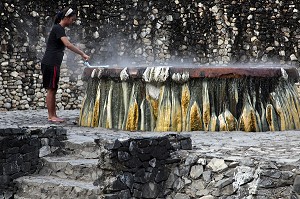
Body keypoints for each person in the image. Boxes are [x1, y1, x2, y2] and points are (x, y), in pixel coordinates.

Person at [41, 7, 90, 123]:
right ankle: (51, 116)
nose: (73, 22)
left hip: (52, 62)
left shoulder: (58, 28)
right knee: (51, 89)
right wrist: (82, 54)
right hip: (51, 62)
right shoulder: (58, 28)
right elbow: (67, 44)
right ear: (66, 18)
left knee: (52, 88)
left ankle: (53, 115)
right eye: (72, 20)